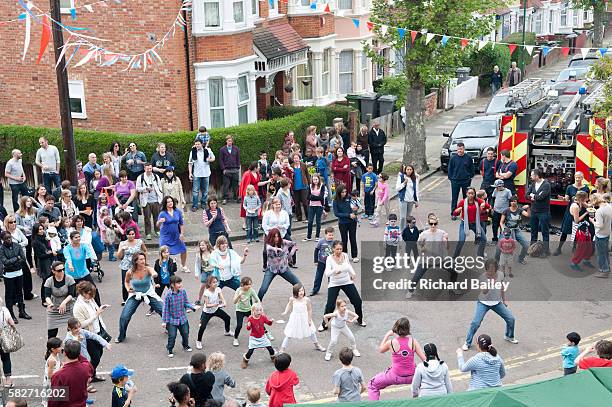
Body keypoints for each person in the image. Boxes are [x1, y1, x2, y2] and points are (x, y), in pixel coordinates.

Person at [462, 259, 517, 350]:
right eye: (488, 269)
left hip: (497, 302)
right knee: (476, 323)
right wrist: (489, 282)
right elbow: (484, 292)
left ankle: (509, 336)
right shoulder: (482, 277)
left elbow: (502, 287)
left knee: (511, 319)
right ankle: (467, 342)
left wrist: (504, 300)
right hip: (483, 303)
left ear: (496, 268)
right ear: (486, 269)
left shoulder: (500, 274)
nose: (490, 271)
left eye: (493, 269)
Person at [367, 317, 425, 400]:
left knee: (372, 385)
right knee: (429, 384)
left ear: (396, 328)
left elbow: (381, 350)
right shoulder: (413, 341)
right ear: (408, 328)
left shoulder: (391, 342)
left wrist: (387, 335)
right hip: (413, 376)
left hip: (395, 376)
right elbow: (424, 359)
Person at [116, 252, 163, 343]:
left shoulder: (148, 269)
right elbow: (126, 282)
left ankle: (169, 328)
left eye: (144, 259)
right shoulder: (130, 272)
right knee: (124, 316)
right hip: (135, 295)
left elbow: (153, 272)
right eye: (140, 259)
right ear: (136, 261)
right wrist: (128, 288)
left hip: (148, 293)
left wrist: (154, 274)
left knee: (163, 309)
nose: (143, 261)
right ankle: (121, 335)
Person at [319, 240, 364, 331]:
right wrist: (334, 271)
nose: (339, 251)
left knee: (357, 301)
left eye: (340, 249)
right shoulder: (329, 259)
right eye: (337, 249)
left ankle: (360, 320)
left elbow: (348, 265)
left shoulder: (345, 255)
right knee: (330, 305)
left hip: (346, 281)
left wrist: (353, 273)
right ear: (333, 249)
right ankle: (324, 324)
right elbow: (327, 273)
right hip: (334, 283)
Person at [72, 281, 110, 382]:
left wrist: (100, 309)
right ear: (83, 293)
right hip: (88, 335)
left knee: (99, 354)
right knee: (95, 357)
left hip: (97, 332)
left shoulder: (90, 300)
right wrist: (96, 314)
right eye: (90, 293)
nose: (92, 296)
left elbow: (96, 311)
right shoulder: (78, 306)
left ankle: (92, 375)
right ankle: (87, 377)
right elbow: (81, 324)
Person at [279, 283, 326, 354]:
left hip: (305, 318)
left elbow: (309, 310)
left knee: (311, 332)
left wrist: (309, 320)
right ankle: (282, 348)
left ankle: (317, 345)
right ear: (295, 292)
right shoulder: (292, 299)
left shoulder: (306, 299)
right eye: (299, 291)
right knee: (289, 333)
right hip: (295, 318)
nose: (301, 292)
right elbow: (289, 305)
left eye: (302, 290)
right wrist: (285, 312)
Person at [48, 339, 93, 407]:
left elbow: (54, 401)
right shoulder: (86, 367)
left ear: (65, 353)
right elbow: (86, 361)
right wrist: (76, 351)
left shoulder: (58, 376)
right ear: (79, 353)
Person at [555, 172, 591, 256]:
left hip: (581, 211)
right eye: (576, 177)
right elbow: (567, 199)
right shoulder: (569, 187)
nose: (578, 179)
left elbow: (586, 200)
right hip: (570, 211)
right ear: (574, 177)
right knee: (564, 231)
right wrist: (562, 198)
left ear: (583, 178)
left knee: (578, 231)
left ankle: (574, 248)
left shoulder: (586, 188)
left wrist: (588, 207)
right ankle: (559, 248)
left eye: (579, 177)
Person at [258, 228, 299, 300]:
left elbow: (294, 244)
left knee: (298, 284)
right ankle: (257, 303)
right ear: (271, 237)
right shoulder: (269, 244)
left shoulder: (283, 242)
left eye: (277, 236)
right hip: (271, 269)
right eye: (274, 237)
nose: (276, 239)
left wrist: (290, 254)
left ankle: (301, 299)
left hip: (283, 269)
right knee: (263, 289)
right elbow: (268, 248)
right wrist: (275, 249)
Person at [0, 231, 31, 323]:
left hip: (19, 272)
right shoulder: (1, 249)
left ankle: (22, 311)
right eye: (6, 238)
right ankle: (11, 314)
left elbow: (23, 259)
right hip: (8, 275)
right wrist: (16, 258)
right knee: (9, 295)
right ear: (2, 239)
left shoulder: (17, 246)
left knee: (20, 293)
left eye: (10, 237)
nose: (9, 240)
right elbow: (5, 262)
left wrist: (13, 261)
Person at [163, 275, 196, 357]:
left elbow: (186, 302)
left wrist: (192, 307)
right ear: (172, 285)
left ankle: (185, 345)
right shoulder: (168, 295)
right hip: (172, 320)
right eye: (178, 283)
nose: (180, 284)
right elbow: (165, 309)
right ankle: (169, 349)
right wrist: (164, 321)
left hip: (182, 318)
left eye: (180, 282)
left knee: (185, 333)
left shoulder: (183, 291)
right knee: (172, 336)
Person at [63, 231, 100, 304]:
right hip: (71, 272)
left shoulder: (84, 246)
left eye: (79, 237)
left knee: (93, 288)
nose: (78, 238)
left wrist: (93, 258)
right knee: (72, 293)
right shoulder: (67, 248)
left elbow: (89, 252)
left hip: (83, 271)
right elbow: (68, 258)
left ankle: (98, 305)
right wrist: (70, 265)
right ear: (71, 239)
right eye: (76, 237)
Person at [196, 276, 232, 350]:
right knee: (202, 327)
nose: (216, 283)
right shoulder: (206, 293)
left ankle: (227, 331)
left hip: (215, 309)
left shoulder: (218, 289)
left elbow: (222, 298)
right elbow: (207, 305)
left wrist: (224, 302)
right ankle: (198, 341)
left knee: (227, 318)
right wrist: (215, 304)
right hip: (207, 312)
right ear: (209, 284)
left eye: (216, 282)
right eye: (214, 282)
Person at [452, 187, 488, 260]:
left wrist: (484, 204)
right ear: (466, 194)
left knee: (483, 239)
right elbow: (454, 214)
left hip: (475, 224)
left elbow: (488, 206)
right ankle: (454, 257)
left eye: (472, 193)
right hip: (465, 224)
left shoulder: (478, 201)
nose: (471, 195)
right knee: (461, 240)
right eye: (469, 193)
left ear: (474, 194)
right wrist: (457, 211)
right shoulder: (462, 202)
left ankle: (480, 254)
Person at [157, 195, 189, 273]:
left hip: (176, 235)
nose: (170, 203)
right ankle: (163, 266)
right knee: (164, 252)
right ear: (165, 204)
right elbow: (157, 225)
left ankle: (183, 265)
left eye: (171, 201)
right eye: (168, 202)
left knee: (183, 249)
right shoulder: (162, 213)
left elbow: (181, 223)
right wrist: (159, 222)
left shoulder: (177, 211)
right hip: (165, 235)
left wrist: (181, 234)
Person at [117, 228, 147, 304]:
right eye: (129, 234)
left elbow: (145, 250)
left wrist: (144, 260)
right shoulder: (122, 243)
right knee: (125, 282)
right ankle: (126, 299)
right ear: (126, 235)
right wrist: (122, 250)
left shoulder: (139, 242)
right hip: (126, 265)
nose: (131, 236)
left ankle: (142, 296)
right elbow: (119, 256)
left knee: (140, 280)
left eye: (132, 234)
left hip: (137, 265)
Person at [242, 303, 276, 369]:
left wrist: (271, 321)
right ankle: (245, 360)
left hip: (262, 337)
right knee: (250, 351)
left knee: (270, 348)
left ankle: (273, 358)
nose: (259, 312)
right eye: (257, 310)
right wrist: (248, 325)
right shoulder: (250, 318)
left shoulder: (263, 317)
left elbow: (269, 323)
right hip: (254, 338)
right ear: (253, 311)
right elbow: (248, 329)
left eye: (260, 310)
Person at [526, 169, 551, 257]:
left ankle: (545, 251)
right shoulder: (533, 184)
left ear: (536, 176)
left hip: (543, 212)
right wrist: (533, 196)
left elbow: (541, 197)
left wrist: (533, 195)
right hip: (534, 211)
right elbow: (526, 195)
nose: (531, 177)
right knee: (533, 232)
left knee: (545, 232)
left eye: (532, 175)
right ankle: (532, 249)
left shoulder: (546, 185)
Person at [498, 196, 529, 265]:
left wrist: (529, 208)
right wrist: (503, 230)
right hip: (507, 230)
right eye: (511, 201)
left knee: (526, 245)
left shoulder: (520, 210)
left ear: (517, 202)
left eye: (514, 201)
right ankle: (496, 260)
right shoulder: (506, 210)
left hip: (516, 230)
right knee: (499, 245)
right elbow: (501, 222)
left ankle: (521, 259)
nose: (513, 203)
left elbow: (527, 215)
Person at [136, 163, 163, 240]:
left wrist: (160, 197)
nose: (149, 170)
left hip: (156, 200)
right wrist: (145, 188)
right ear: (144, 168)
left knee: (157, 217)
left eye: (150, 168)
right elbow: (137, 188)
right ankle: (148, 233)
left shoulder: (156, 176)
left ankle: (157, 230)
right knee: (147, 217)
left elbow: (160, 187)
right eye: (147, 169)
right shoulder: (140, 177)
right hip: (146, 200)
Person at [448, 142, 474, 219]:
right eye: (458, 149)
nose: (459, 150)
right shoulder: (453, 158)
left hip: (466, 180)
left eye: (461, 149)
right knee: (454, 197)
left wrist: (470, 177)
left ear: (464, 149)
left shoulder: (468, 158)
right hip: (455, 181)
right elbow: (450, 169)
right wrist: (451, 178)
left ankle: (466, 213)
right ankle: (454, 213)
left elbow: (472, 168)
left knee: (466, 198)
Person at [333, 185, 359, 262]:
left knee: (353, 238)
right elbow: (336, 213)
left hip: (352, 222)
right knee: (344, 240)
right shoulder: (335, 201)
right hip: (342, 223)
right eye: (342, 192)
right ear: (339, 193)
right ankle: (344, 255)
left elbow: (355, 206)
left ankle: (354, 256)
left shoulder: (349, 198)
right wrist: (348, 215)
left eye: (345, 192)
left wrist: (355, 209)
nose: (344, 193)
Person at [232, 276, 260, 347]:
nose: (249, 286)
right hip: (240, 310)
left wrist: (256, 306)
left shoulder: (251, 290)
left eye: (250, 284)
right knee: (239, 325)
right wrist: (239, 296)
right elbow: (234, 302)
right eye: (247, 285)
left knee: (257, 321)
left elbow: (257, 299)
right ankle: (235, 338)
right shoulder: (238, 290)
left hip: (249, 309)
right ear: (242, 285)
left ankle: (264, 334)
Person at [189, 139, 216, 212]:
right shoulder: (193, 152)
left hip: (206, 173)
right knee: (195, 191)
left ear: (202, 144)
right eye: (196, 144)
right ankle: (195, 205)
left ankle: (203, 204)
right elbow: (190, 163)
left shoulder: (207, 150)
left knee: (205, 191)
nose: (197, 146)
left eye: (198, 144)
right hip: (196, 174)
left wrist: (209, 160)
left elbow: (213, 158)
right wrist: (190, 173)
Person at [33, 222, 54, 302]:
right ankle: (44, 299)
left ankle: (49, 297)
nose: (42, 231)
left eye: (42, 229)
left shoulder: (45, 238)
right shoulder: (35, 242)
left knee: (51, 280)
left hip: (50, 260)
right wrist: (50, 254)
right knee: (45, 281)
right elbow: (39, 255)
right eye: (40, 230)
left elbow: (49, 247)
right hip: (43, 263)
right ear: (36, 231)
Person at [310, 227, 335, 297]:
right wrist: (315, 260)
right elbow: (316, 250)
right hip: (321, 262)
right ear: (326, 235)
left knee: (331, 277)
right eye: (329, 235)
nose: (331, 237)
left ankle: (332, 290)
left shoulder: (334, 243)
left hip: (331, 263)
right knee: (318, 276)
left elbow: (337, 252)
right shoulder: (321, 241)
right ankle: (315, 290)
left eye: (332, 235)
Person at [593, 193, 612, 278]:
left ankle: (604, 270)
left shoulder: (599, 211)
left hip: (600, 235)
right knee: (605, 252)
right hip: (607, 232)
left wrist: (592, 221)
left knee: (601, 254)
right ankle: (608, 267)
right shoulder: (609, 206)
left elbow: (599, 225)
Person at [305, 173, 328, 242]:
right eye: (313, 179)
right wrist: (314, 197)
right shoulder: (310, 186)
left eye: (316, 179)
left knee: (318, 222)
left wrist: (313, 197)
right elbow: (308, 197)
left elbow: (321, 197)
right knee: (310, 222)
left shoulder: (322, 186)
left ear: (319, 179)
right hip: (312, 206)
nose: (315, 181)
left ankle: (317, 236)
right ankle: (308, 237)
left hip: (319, 206)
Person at [0, 297, 17, 388]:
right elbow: (12, 323)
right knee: (6, 358)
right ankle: (8, 380)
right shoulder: (4, 310)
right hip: (4, 338)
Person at [396, 165, 419, 230]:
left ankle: (406, 230)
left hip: (411, 200)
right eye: (407, 169)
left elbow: (416, 190)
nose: (409, 171)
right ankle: (401, 231)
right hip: (403, 199)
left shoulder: (415, 178)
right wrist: (404, 183)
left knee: (408, 217)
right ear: (405, 170)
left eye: (410, 169)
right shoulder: (401, 177)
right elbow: (397, 188)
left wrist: (417, 201)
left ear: (412, 170)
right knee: (403, 217)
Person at [219, 135, 241, 205]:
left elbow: (238, 158)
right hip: (226, 170)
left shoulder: (236, 149)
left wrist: (237, 167)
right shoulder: (222, 149)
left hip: (235, 169)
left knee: (236, 185)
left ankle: (237, 197)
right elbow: (221, 160)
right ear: (226, 141)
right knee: (226, 185)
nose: (230, 142)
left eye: (231, 141)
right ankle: (225, 198)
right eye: (228, 141)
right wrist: (223, 169)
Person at [291, 153, 311, 223]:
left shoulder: (303, 165)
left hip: (304, 186)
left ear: (299, 158)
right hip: (295, 187)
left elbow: (307, 175)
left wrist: (310, 184)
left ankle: (308, 217)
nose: (296, 159)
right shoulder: (291, 166)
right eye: (294, 158)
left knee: (305, 202)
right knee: (297, 203)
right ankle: (299, 217)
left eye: (297, 158)